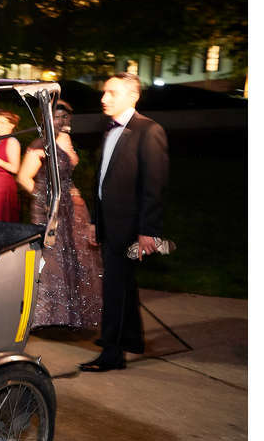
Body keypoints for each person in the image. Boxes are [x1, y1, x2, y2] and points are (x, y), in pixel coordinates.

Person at [80, 73, 169, 372]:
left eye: (112, 93)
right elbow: (101, 181)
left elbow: (153, 186)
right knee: (124, 285)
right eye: (104, 92)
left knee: (115, 289)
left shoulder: (149, 131)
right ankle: (131, 338)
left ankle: (112, 354)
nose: (104, 98)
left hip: (131, 228)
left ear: (133, 96)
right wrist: (95, 221)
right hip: (109, 224)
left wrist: (149, 232)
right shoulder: (109, 130)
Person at [17, 100, 103, 330]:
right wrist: (44, 199)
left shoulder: (63, 140)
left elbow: (68, 171)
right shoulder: (40, 144)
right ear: (45, 118)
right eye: (57, 116)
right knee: (50, 259)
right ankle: (45, 315)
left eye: (64, 117)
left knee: (71, 257)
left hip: (69, 207)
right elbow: (24, 177)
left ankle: (69, 314)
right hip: (48, 209)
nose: (62, 121)